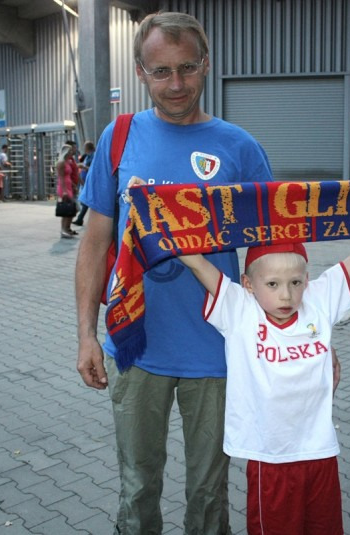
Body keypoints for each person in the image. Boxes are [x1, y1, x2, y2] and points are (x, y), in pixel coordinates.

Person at [74, 12, 274, 534]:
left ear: (206, 64)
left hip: (218, 348)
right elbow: (95, 243)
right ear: (141, 72)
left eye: (187, 67)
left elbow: (272, 253)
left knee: (209, 493)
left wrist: (304, 334)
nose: (176, 84)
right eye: (161, 71)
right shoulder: (119, 139)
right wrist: (86, 335)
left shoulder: (240, 148)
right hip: (136, 346)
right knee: (138, 485)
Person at [178, 239, 350, 535]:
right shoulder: (239, 309)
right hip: (271, 457)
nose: (286, 295)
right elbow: (197, 262)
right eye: (273, 284)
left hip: (320, 453)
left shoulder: (318, 300)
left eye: (295, 283)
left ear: (307, 281)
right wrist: (157, 219)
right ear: (248, 284)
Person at [56, 145, 79, 239]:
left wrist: (73, 186)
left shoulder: (67, 162)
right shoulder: (61, 163)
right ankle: (64, 229)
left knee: (72, 208)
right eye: (69, 151)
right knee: (67, 209)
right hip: (64, 187)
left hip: (68, 186)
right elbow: (61, 178)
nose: (71, 153)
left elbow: (69, 176)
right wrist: (65, 191)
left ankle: (67, 228)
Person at [72, 141, 95, 226]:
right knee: (86, 200)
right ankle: (80, 219)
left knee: (86, 200)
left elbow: (94, 169)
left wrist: (83, 166)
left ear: (87, 148)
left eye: (84, 147)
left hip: (89, 181)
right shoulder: (87, 156)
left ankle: (80, 219)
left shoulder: (93, 156)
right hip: (85, 181)